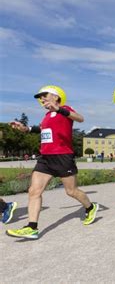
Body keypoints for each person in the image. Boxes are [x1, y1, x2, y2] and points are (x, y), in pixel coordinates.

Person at [7, 87, 99, 240]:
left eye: (44, 96)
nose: (42, 99)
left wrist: (60, 109)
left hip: (63, 157)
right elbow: (43, 129)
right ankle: (32, 227)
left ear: (56, 97)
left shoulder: (65, 109)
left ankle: (90, 207)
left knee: (71, 191)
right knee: (34, 191)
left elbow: (80, 118)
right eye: (40, 97)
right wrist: (26, 128)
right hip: (46, 158)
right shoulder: (47, 115)